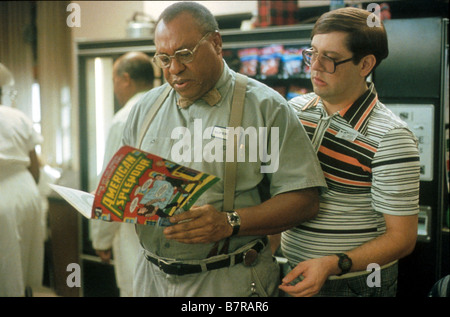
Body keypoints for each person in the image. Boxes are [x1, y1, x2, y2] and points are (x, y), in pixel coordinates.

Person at [121, 2, 326, 297]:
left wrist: (230, 223)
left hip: (229, 280)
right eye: (163, 59)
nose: (174, 69)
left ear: (216, 43)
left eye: (184, 54)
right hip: (150, 277)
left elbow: (305, 201)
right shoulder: (144, 109)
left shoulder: (265, 108)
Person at [279, 7, 420, 297]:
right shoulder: (293, 111)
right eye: (312, 53)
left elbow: (402, 239)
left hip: (354, 282)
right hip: (290, 271)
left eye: (329, 58)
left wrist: (333, 264)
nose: (315, 66)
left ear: (365, 64)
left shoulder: (390, 136)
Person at [90, 52, 154, 297]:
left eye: (114, 80)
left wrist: (101, 239)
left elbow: (112, 187)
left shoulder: (124, 119)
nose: (115, 88)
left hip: (133, 230)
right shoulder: (169, 108)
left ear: (125, 79)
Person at [0, 63, 45, 296]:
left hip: (3, 197)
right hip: (26, 192)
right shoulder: (18, 117)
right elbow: (35, 168)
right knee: (23, 261)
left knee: (6, 269)